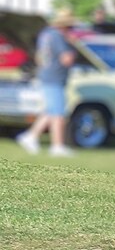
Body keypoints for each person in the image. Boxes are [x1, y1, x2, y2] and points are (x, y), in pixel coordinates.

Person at [16, 9, 78, 157]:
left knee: (50, 110)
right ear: (65, 25)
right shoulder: (58, 36)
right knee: (58, 113)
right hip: (55, 77)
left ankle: (30, 137)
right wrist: (74, 50)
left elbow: (38, 57)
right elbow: (66, 59)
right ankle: (57, 146)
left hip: (45, 74)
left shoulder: (45, 34)